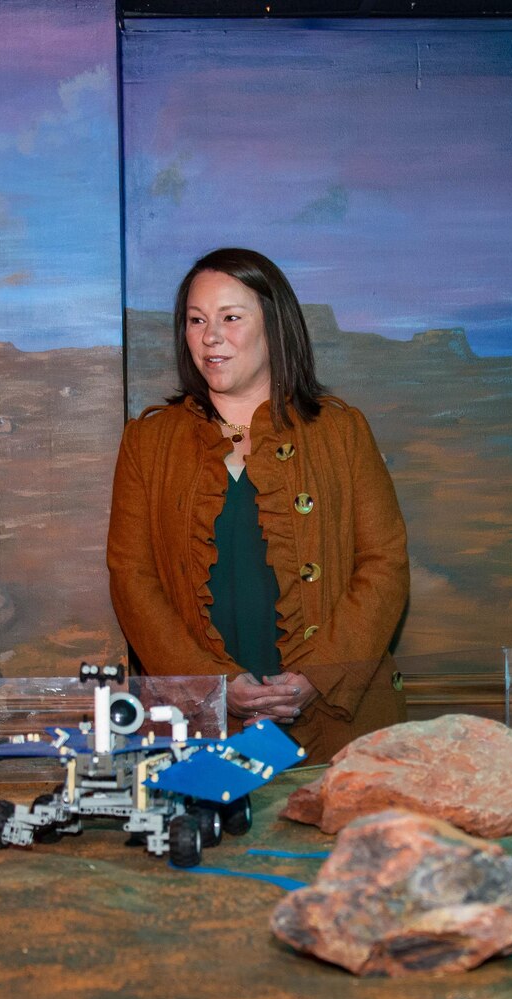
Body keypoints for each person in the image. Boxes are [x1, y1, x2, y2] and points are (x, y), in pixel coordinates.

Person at [107, 248, 409, 762]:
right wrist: (215, 685)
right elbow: (132, 576)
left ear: (275, 326)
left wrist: (319, 674)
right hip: (197, 722)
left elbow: (385, 563)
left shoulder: (341, 430)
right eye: (196, 320)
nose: (210, 336)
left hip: (333, 717)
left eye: (231, 317)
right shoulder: (148, 441)